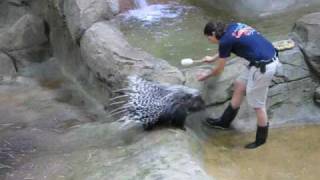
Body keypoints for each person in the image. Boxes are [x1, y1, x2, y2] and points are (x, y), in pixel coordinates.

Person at [197, 21, 280, 149]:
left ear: (213, 34)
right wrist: (212, 59)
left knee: (258, 105)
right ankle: (224, 122)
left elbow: (219, 70)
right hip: (263, 58)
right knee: (240, 84)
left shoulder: (224, 41)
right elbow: (227, 47)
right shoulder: (232, 26)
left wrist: (205, 76)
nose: (209, 40)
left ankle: (261, 139)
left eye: (208, 37)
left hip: (264, 66)